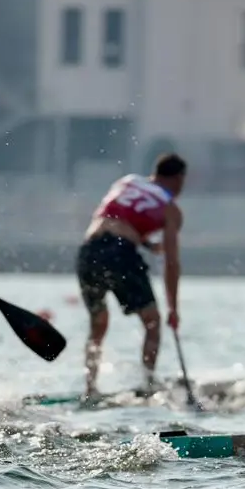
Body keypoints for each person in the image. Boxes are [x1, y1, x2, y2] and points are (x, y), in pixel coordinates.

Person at [76, 153, 187, 400]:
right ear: (179, 179)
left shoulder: (127, 181)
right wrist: (173, 308)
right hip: (120, 254)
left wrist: (145, 244)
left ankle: (90, 388)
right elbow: (171, 263)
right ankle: (148, 384)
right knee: (153, 322)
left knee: (98, 323)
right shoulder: (171, 209)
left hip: (88, 251)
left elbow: (115, 217)